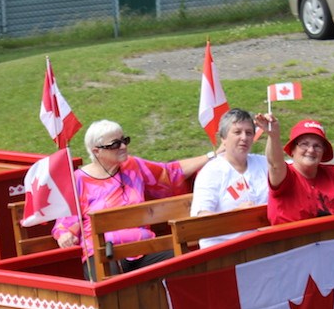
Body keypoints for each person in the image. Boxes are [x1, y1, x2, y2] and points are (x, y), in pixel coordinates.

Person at [51, 119, 217, 279]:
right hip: (104, 252)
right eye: (115, 144)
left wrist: (212, 156)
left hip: (144, 246)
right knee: (112, 287)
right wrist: (64, 235)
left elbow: (170, 173)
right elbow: (64, 223)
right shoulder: (78, 180)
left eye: (125, 140)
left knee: (188, 263)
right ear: (96, 151)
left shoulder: (133, 166)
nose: (123, 146)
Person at [189, 108, 269, 247]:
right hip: (224, 249)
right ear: (223, 138)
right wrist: (236, 215)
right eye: (237, 132)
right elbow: (200, 219)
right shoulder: (211, 172)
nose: (244, 137)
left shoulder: (263, 163)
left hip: (263, 245)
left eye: (249, 133)